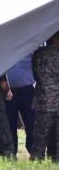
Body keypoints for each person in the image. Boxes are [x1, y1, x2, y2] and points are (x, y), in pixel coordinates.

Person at [31, 31, 59, 161]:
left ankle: (37, 159)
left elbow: (35, 75)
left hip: (43, 100)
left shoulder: (38, 53)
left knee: (40, 136)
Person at [5, 53, 36, 155]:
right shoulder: (3, 47)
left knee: (31, 124)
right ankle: (11, 154)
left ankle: (34, 153)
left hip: (27, 92)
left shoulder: (29, 46)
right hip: (7, 92)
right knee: (9, 126)